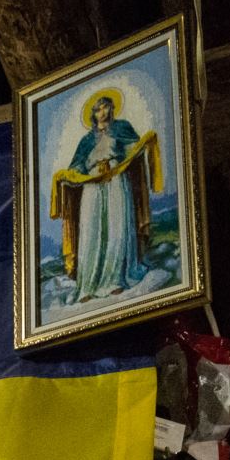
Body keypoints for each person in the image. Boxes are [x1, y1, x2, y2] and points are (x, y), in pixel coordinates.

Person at [50, 90, 159, 302]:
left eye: (106, 106)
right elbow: (77, 165)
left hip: (117, 180)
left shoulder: (122, 128)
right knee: (91, 233)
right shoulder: (86, 140)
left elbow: (133, 151)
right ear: (93, 113)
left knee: (117, 226)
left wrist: (145, 142)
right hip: (92, 186)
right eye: (98, 108)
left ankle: (116, 279)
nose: (102, 112)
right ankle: (88, 286)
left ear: (112, 108)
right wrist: (68, 176)